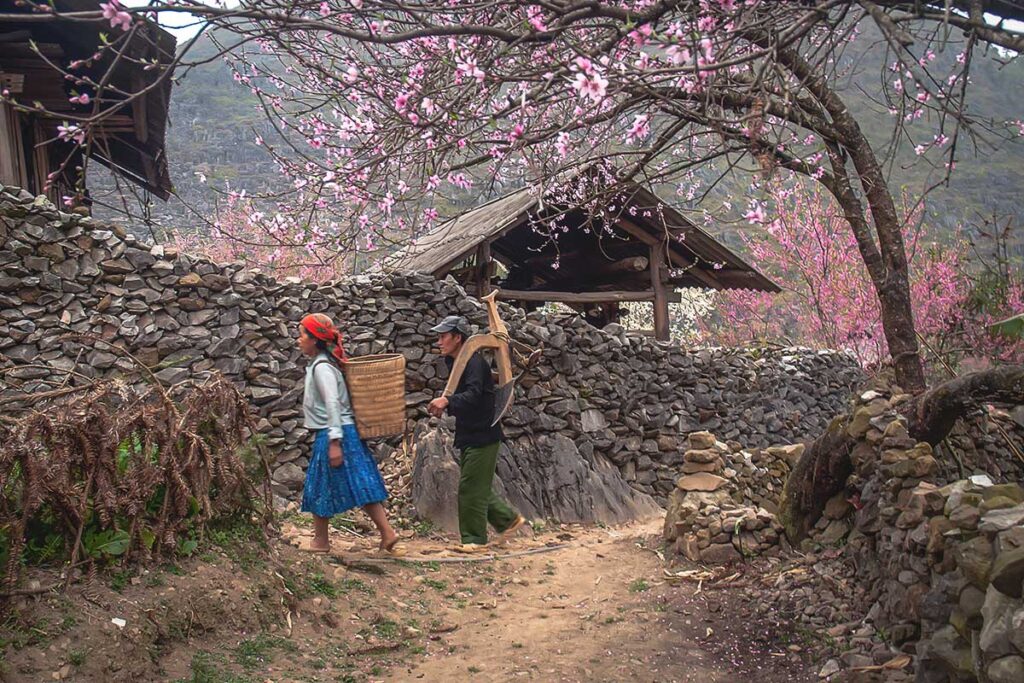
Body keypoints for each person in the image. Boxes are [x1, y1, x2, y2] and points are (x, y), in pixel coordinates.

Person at [297, 313, 403, 556]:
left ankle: (321, 541)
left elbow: (333, 403)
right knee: (360, 481)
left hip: (335, 432)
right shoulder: (323, 365)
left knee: (320, 483)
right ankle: (386, 533)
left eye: (302, 334)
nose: (299, 339)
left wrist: (335, 442)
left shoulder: (322, 368)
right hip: (345, 432)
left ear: (314, 340)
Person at [427, 315, 526, 552]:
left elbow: (473, 396)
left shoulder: (474, 364)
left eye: (443, 337)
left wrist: (446, 401)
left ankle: (474, 541)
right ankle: (508, 520)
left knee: (470, 488)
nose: (439, 342)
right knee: (476, 485)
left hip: (483, 433)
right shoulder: (456, 362)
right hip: (470, 431)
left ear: (457, 338)